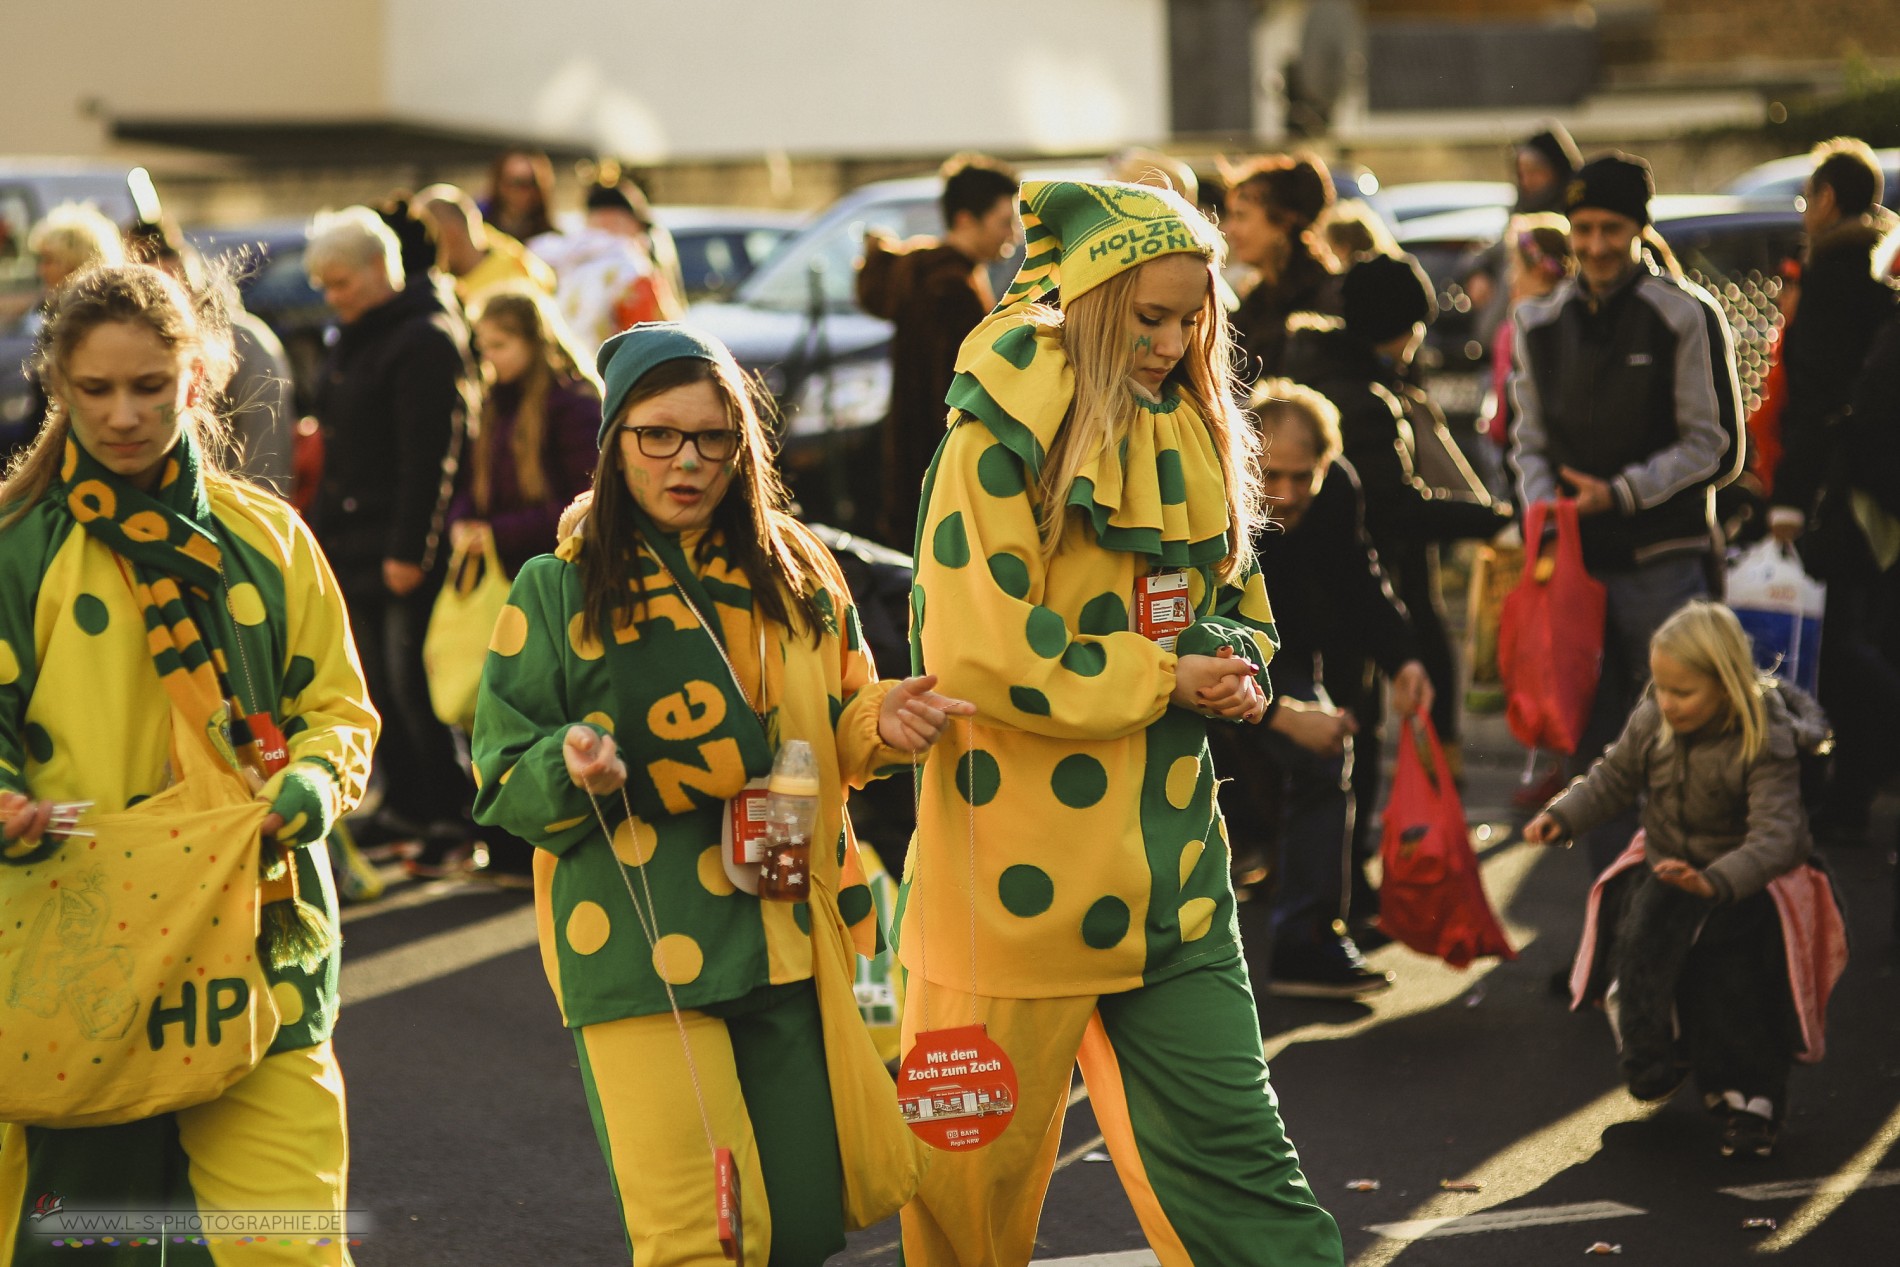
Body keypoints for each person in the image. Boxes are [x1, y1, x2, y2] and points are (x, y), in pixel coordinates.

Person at [900, 179, 1342, 1265]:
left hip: (1174, 886)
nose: (1173, 339)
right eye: (1147, 316)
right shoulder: (994, 436)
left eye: (1193, 315)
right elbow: (978, 648)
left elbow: (1235, 602)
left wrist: (1235, 665)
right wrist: (1164, 678)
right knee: (966, 1211)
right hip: (1007, 900)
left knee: (1247, 1179)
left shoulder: (1192, 426)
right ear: (1089, 302)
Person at [470, 321, 970, 1264]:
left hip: (789, 925)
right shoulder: (556, 588)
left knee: (804, 1222)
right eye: (658, 434)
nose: (687, 461)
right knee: (702, 1237)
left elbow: (843, 719)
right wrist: (571, 764)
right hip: (637, 937)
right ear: (615, 442)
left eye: (713, 437)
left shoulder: (799, 569)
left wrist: (883, 721)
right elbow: (500, 773)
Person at [0, 263, 377, 1262]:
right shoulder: (13, 551)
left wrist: (311, 785)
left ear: (198, 379)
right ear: (58, 386)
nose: (123, 414)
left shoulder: (271, 540)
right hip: (80, 963)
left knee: (286, 1244)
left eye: (150, 387)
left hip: (258, 948)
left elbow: (338, 711)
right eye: (96, 389)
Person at [1526, 602, 1838, 1159]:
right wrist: (1564, 815)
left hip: (1747, 879)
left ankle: (1758, 1100)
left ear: (1727, 683)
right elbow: (1615, 775)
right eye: (1661, 687)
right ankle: (1661, 1063)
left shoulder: (1764, 738)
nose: (1667, 703)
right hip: (1671, 864)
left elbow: (1777, 837)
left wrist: (1716, 882)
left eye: (1683, 692)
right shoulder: (1655, 717)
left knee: (1734, 982)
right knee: (1639, 952)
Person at [1508, 152, 1745, 870]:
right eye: (1583, 228)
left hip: (1664, 570)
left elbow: (1718, 445)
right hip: (1574, 577)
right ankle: (1610, 934)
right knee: (1595, 759)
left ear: (1640, 228)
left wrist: (1623, 492)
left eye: (1612, 227)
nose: (1596, 244)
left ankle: (1688, 925)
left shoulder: (1684, 314)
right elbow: (1526, 444)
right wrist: (1545, 510)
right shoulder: (1537, 321)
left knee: (1687, 755)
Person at [1210, 380, 1432, 997]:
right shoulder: (1218, 492)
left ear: (1327, 465)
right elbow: (1196, 628)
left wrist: (1405, 659)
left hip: (1288, 650)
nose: (1283, 495)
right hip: (1213, 647)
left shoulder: (1336, 492)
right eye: (1271, 476)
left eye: (1301, 477)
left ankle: (1308, 935)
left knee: (1326, 748)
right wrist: (1279, 714)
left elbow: (1361, 578)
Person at [306, 206, 480, 873]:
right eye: (323, 284)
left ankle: (449, 809)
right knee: (377, 682)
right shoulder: (351, 335)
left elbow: (430, 456)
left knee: (415, 685)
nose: (331, 296)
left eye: (341, 281)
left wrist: (412, 549)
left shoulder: (425, 338)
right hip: (353, 537)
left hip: (401, 543)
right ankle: (408, 802)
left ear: (380, 269)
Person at [1285, 251, 1510, 750]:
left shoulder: (1308, 368)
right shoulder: (1366, 402)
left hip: (1303, 594)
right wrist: (1494, 521)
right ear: (1397, 326)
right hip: (1341, 604)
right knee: (1349, 742)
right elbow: (1395, 509)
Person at [1764, 138, 1900, 845]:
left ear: (1825, 200)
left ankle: (1849, 789)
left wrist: (1789, 497)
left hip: (1841, 488)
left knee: (1839, 639)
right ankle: (1854, 783)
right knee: (1864, 626)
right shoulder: (1881, 282)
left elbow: (1812, 405)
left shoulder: (1829, 283)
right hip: (1882, 486)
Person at [856, 154, 1019, 548]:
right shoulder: (951, 288)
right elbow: (953, 396)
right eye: (1004, 222)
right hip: (941, 475)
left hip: (909, 471)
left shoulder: (923, 271)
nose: (1013, 236)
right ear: (965, 219)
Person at [4, 204, 126, 464]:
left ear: (77, 263)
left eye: (49, 260)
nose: (41, 270)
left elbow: (57, 412)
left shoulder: (92, 322)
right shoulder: (57, 314)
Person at [1221, 152, 1340, 384]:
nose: (1230, 230)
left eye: (1241, 216)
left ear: (1283, 221)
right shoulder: (1256, 301)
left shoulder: (1327, 297)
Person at [528, 181, 684, 354]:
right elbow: (653, 339)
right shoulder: (634, 269)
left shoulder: (553, 259)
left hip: (567, 367)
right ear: (627, 222)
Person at [1478, 213, 1574, 489]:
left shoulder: (1518, 328)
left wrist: (1494, 430)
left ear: (1539, 268)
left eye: (1515, 266)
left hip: (1526, 461)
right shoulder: (1575, 318)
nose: (1510, 277)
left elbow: (1505, 414)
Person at [413, 184, 556, 311]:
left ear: (451, 235)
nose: (422, 252)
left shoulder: (512, 283)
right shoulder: (498, 247)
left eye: (428, 241)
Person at [481, 148, 558, 245]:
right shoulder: (479, 232)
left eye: (529, 183)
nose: (519, 191)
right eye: (512, 182)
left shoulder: (551, 241)